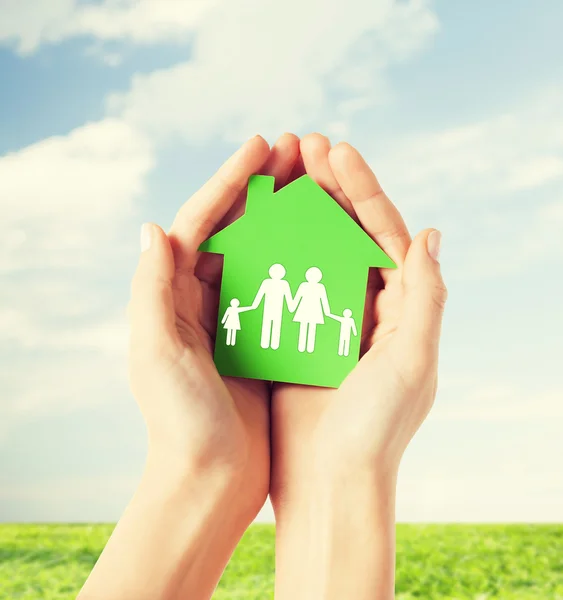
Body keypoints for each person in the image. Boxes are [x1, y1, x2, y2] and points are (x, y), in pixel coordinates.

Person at [79, 133, 446, 600]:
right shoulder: (282, 286)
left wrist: (333, 474)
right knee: (274, 332)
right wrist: (201, 463)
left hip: (310, 326)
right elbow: (272, 298)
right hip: (272, 322)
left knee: (293, 335)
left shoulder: (306, 286)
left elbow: (302, 299)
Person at [248, 263, 293, 350]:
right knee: (268, 324)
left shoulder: (284, 284)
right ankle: (266, 343)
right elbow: (260, 294)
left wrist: (291, 306)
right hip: (269, 308)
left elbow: (288, 297)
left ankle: (273, 344)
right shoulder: (267, 282)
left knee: (275, 325)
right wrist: (254, 305)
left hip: (278, 308)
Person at [290, 266, 331, 353]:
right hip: (304, 309)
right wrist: (292, 307)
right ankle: (301, 347)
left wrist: (327, 312)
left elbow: (324, 299)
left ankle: (309, 348)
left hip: (315, 311)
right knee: (304, 328)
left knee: (311, 329)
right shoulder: (303, 285)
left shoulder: (320, 287)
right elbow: (298, 297)